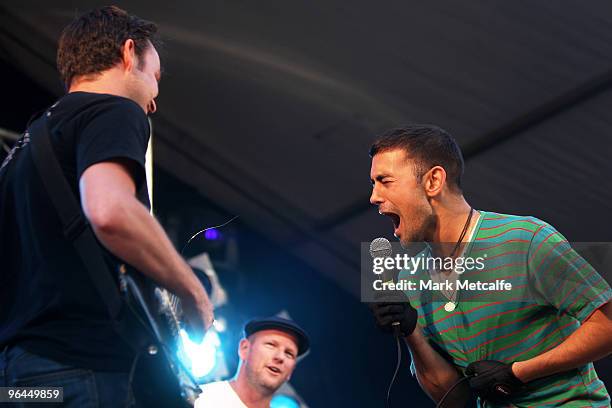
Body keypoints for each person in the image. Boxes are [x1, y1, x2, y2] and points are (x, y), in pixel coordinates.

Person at [0, 6, 213, 406]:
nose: (153, 101)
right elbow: (110, 211)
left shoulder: (27, 145)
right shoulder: (114, 109)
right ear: (129, 53)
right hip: (81, 366)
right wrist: (194, 296)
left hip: (16, 376)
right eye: (155, 77)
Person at [368, 124, 612, 407]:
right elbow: (453, 399)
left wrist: (518, 372)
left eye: (385, 181)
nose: (374, 196)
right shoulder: (411, 279)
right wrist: (413, 335)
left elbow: (607, 325)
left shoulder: (524, 239)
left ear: (433, 181)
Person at [195, 317, 310, 408]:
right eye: (271, 345)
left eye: (289, 353)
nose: (280, 357)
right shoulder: (200, 399)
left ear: (290, 372)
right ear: (244, 348)